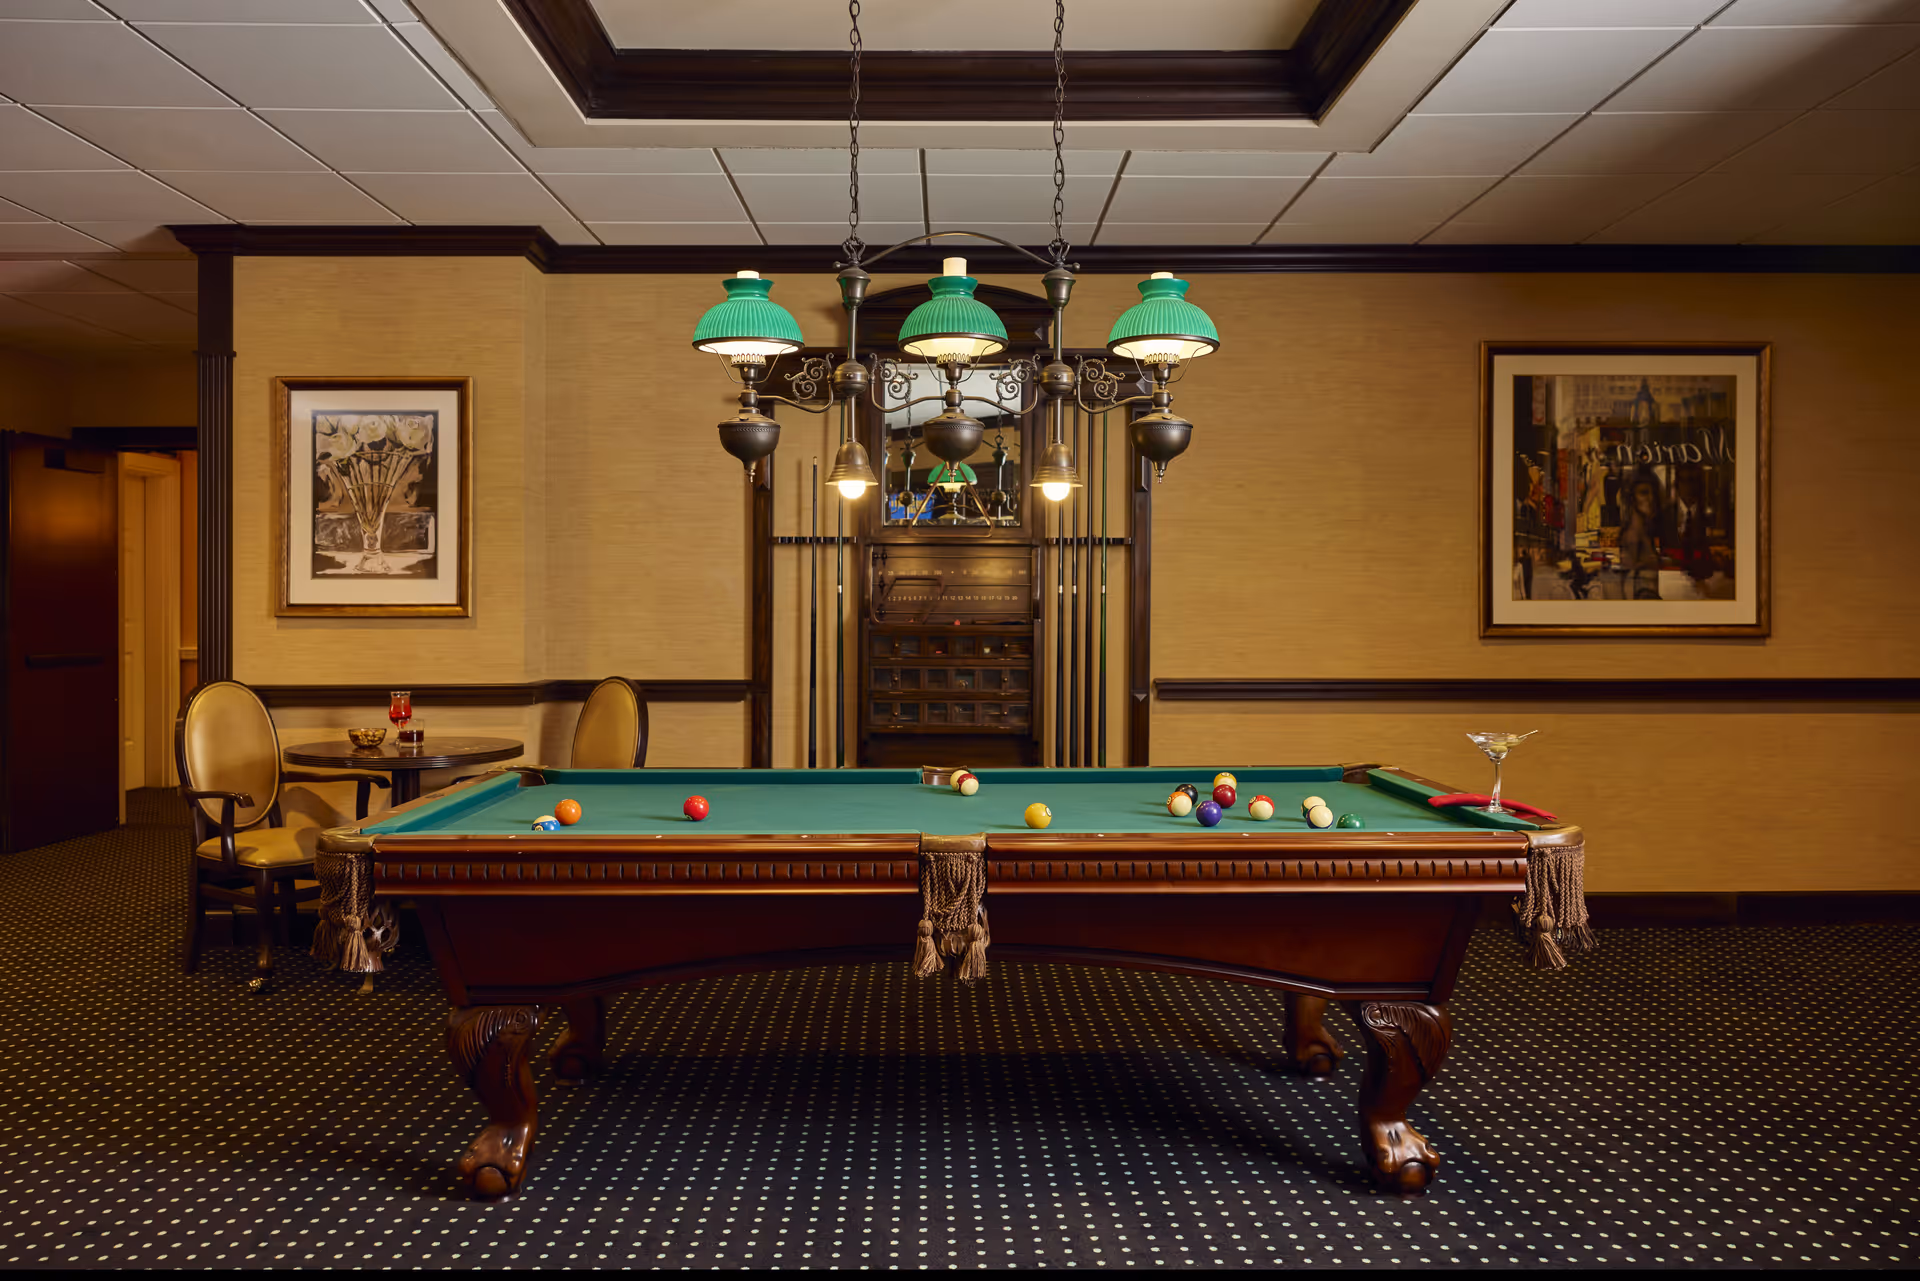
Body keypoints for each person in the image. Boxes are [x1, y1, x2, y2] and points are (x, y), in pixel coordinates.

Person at [1616, 470, 1664, 600]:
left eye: (1653, 493)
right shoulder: (1633, 535)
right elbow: (1629, 582)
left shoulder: (1644, 530)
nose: (1651, 498)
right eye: (1643, 493)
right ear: (1631, 498)